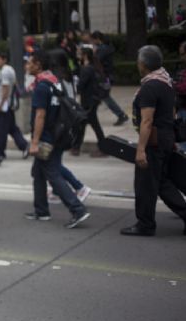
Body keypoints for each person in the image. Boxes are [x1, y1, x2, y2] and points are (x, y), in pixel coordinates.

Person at [121, 46, 186, 236]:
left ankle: (145, 224)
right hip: (166, 137)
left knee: (145, 184)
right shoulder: (166, 82)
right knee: (161, 183)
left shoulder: (150, 86)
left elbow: (147, 121)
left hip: (154, 141)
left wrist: (141, 150)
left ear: (143, 64)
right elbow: (172, 112)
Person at [25, 50, 90, 228]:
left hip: (46, 138)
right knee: (38, 172)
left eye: (30, 62)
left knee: (52, 173)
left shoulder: (41, 87)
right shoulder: (54, 82)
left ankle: (77, 209)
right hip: (58, 134)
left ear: (38, 65)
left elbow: (40, 115)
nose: (27, 65)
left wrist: (35, 142)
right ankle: (41, 211)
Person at [0, 52, 29, 160]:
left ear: (4, 60)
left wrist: (0, 104)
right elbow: (14, 84)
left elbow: (6, 88)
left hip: (4, 105)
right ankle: (24, 146)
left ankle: (0, 152)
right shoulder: (9, 69)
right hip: (8, 104)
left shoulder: (5, 71)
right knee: (11, 128)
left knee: (0, 129)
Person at [91, 31, 130, 126]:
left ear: (97, 39)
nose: (92, 42)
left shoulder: (102, 49)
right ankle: (89, 116)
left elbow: (97, 60)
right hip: (106, 76)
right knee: (98, 96)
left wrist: (93, 53)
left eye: (93, 39)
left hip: (104, 77)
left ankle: (121, 115)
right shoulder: (106, 48)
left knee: (104, 96)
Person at [74, 47, 107, 156]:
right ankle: (76, 147)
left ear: (85, 56)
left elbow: (80, 85)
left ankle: (103, 148)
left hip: (89, 102)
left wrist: (76, 85)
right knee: (82, 123)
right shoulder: (91, 67)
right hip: (91, 100)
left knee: (92, 124)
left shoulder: (87, 69)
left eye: (80, 54)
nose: (78, 55)